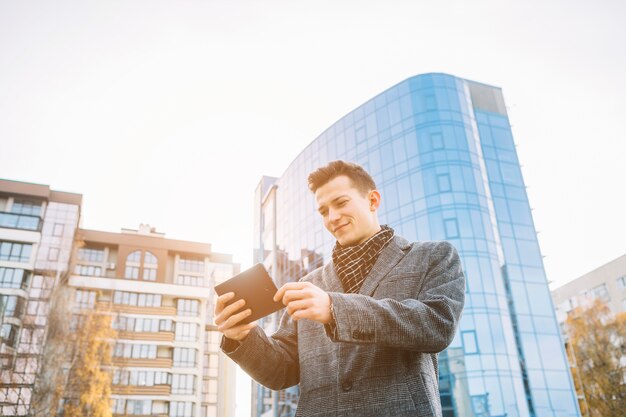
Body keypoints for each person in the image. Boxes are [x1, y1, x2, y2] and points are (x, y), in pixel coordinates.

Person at [215, 160, 465, 417]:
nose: (332, 217)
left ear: (373, 200)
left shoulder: (433, 256)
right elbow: (282, 372)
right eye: (323, 211)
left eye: (341, 203)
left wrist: (335, 309)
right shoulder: (308, 284)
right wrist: (243, 335)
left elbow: (438, 325)